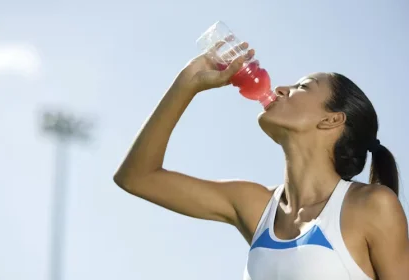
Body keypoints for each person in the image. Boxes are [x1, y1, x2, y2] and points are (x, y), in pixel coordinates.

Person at [113, 42, 409, 279]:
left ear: (332, 120)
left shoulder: (371, 205)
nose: (280, 89)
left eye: (302, 87)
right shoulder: (255, 205)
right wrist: (188, 82)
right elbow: (136, 177)